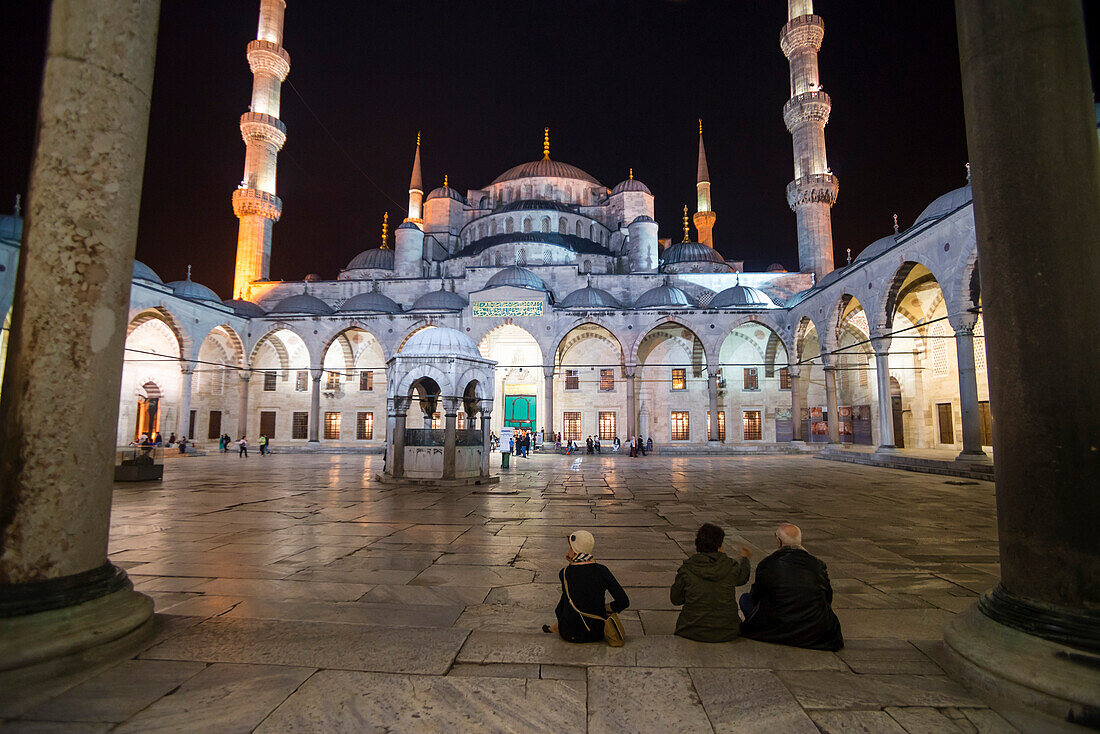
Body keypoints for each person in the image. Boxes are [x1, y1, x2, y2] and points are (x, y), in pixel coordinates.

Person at [739, 524, 843, 651]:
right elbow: (828, 597)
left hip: (775, 627)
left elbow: (756, 597)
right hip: (815, 632)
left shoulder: (767, 564)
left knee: (745, 599)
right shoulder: (817, 565)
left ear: (779, 542)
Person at [542, 530, 630, 643]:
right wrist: (603, 608)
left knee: (566, 600)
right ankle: (555, 627)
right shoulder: (602, 571)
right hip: (597, 633)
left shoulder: (565, 573)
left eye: (570, 548)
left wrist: (570, 564)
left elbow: (566, 604)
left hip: (570, 634)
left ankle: (555, 627)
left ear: (573, 551)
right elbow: (623, 601)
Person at [670, 523, 751, 642]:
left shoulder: (687, 569)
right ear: (719, 545)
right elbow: (743, 577)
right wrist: (744, 559)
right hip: (727, 631)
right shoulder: (730, 567)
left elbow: (675, 599)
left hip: (691, 630)